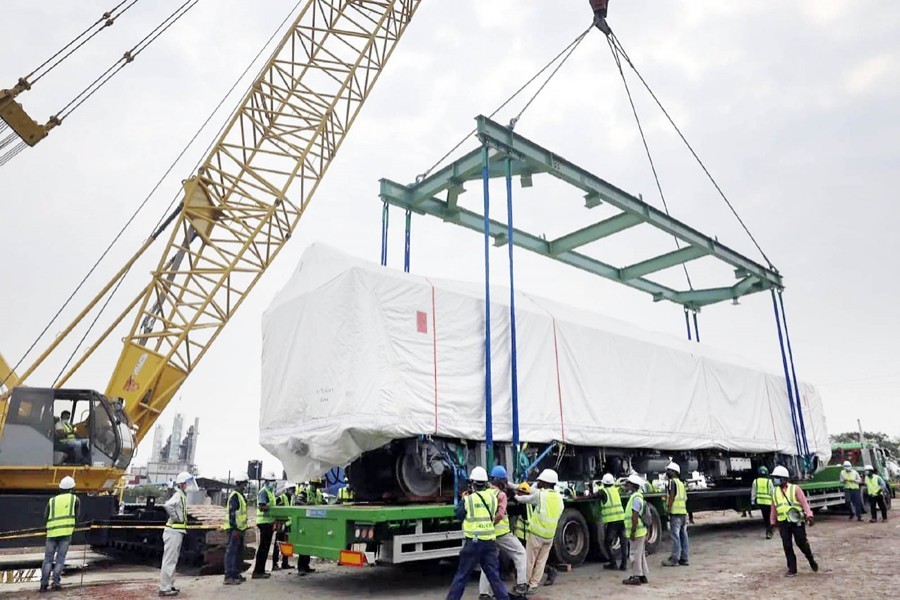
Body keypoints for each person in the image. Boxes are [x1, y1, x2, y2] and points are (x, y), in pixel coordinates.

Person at [446, 466, 509, 600]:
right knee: (494, 578)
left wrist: (463, 499)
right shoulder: (492, 498)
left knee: (461, 577)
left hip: (473, 543)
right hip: (489, 543)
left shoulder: (468, 499)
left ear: (472, 484)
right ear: (486, 483)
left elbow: (459, 515)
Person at [478, 466, 528, 599]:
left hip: (488, 535)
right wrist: (493, 522)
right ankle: (522, 584)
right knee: (520, 553)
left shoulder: (485, 493)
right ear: (502, 482)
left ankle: (484, 593)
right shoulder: (501, 495)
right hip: (502, 534)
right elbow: (500, 514)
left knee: (488, 563)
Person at [513, 469, 563, 593]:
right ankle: (533, 585)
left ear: (545, 483)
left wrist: (514, 496)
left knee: (529, 560)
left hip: (536, 534)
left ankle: (523, 585)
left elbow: (524, 499)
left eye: (540, 481)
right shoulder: (559, 498)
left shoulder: (541, 495)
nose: (538, 483)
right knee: (541, 561)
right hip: (549, 535)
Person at [769, 466, 818, 577]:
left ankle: (810, 558)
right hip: (783, 522)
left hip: (796, 520)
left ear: (783, 479)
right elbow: (773, 508)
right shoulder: (774, 492)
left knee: (801, 542)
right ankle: (792, 569)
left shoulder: (795, 489)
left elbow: (804, 503)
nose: (774, 480)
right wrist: (772, 523)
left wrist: (809, 515)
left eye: (777, 478)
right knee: (787, 545)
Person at [39, 476, 79, 593]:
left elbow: (45, 516)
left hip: (51, 533)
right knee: (60, 559)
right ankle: (56, 583)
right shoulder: (74, 499)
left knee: (47, 559)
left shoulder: (52, 500)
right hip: (66, 533)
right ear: (72, 488)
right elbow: (77, 516)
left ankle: (43, 586)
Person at [160, 471, 193, 597]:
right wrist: (176, 517)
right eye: (187, 483)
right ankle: (164, 587)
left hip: (177, 531)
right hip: (173, 531)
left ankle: (169, 584)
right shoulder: (178, 495)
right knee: (169, 560)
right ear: (182, 484)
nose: (189, 486)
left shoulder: (181, 496)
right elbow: (167, 505)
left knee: (172, 560)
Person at [622, 473, 649, 585]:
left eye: (628, 484)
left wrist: (632, 531)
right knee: (640, 554)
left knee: (634, 555)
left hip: (637, 532)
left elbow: (634, 517)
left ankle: (636, 576)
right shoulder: (637, 497)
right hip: (640, 531)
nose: (626, 486)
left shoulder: (635, 499)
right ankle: (642, 575)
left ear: (633, 485)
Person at [661, 462, 689, 567]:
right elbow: (685, 498)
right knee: (683, 536)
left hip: (675, 513)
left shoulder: (672, 483)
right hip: (682, 513)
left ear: (674, 472)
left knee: (675, 537)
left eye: (669, 470)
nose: (667, 472)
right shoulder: (681, 484)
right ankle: (684, 558)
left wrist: (668, 510)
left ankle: (674, 559)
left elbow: (671, 497)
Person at [223, 474, 249, 585]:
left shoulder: (240, 495)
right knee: (232, 553)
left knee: (238, 553)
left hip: (240, 529)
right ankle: (229, 576)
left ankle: (236, 574)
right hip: (235, 529)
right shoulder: (235, 496)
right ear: (241, 483)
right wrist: (234, 529)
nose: (245, 486)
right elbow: (232, 513)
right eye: (245, 484)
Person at [598, 473, 627, 571]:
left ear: (603, 483)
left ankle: (613, 563)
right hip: (621, 519)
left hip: (612, 521)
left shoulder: (603, 491)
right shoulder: (615, 490)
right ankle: (624, 564)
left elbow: (591, 496)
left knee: (607, 542)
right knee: (623, 542)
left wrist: (578, 498)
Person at [297, 477, 324, 575]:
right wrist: (307, 504)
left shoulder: (318, 494)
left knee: (309, 545)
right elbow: (297, 502)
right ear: (310, 483)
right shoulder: (304, 492)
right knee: (304, 545)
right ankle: (301, 568)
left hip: (315, 523)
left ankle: (306, 566)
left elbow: (324, 504)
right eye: (314, 484)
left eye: (316, 485)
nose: (315, 487)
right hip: (305, 522)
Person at [253, 473, 277, 579]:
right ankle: (258, 571)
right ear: (267, 481)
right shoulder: (263, 492)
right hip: (264, 523)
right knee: (263, 548)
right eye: (272, 481)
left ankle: (261, 570)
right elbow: (262, 507)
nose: (273, 483)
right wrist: (274, 510)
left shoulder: (270, 492)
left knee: (266, 548)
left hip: (269, 523)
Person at [272, 483, 294, 570]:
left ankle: (285, 563)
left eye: (293, 489)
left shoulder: (290, 498)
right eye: (291, 489)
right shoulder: (281, 498)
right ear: (287, 489)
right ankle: (275, 564)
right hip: (281, 524)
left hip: (288, 524)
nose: (293, 491)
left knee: (287, 544)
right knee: (278, 544)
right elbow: (277, 511)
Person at [751, 466, 774, 539]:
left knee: (765, 518)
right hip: (769, 502)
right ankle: (769, 532)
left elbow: (753, 492)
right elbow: (772, 492)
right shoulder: (769, 481)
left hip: (761, 503)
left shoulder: (755, 481)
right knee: (770, 517)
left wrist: (752, 501)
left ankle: (768, 531)